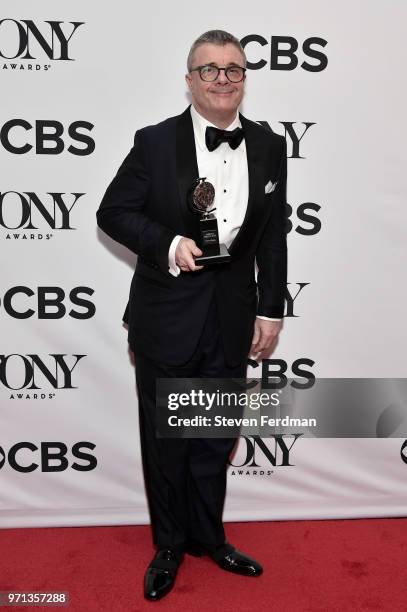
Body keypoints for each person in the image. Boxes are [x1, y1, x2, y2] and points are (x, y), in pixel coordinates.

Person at [97, 29, 287, 601]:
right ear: (190, 79)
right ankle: (170, 545)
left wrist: (272, 308)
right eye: (210, 69)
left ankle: (209, 537)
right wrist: (167, 243)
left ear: (244, 79)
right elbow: (113, 211)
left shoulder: (270, 145)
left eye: (233, 69)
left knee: (214, 438)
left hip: (233, 316)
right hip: (167, 313)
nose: (222, 79)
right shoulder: (154, 142)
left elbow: (273, 236)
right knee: (170, 441)